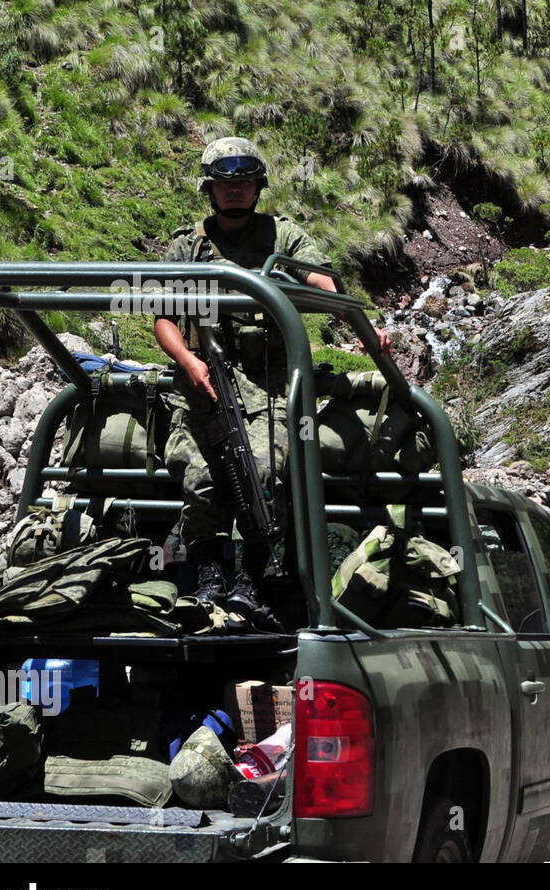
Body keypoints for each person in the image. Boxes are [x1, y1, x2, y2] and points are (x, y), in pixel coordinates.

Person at [157, 137, 393, 624]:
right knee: (200, 477)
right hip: (206, 385)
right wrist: (188, 361)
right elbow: (162, 316)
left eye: (245, 183)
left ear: (258, 187)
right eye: (226, 185)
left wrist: (364, 328)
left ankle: (254, 577)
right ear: (210, 190)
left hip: (268, 387)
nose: (236, 192)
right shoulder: (189, 245)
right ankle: (208, 576)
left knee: (264, 471)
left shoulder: (283, 237)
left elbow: (323, 283)